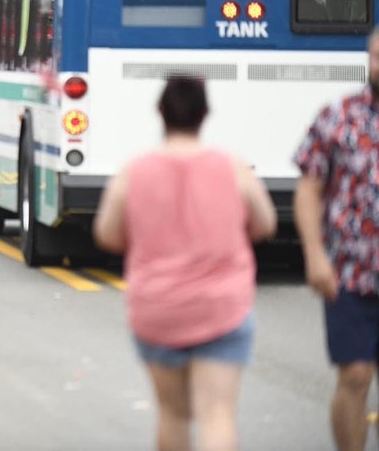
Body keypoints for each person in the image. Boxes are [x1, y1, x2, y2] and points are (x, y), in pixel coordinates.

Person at [94, 76, 276, 451]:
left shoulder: (134, 172)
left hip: (158, 309)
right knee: (217, 414)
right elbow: (265, 224)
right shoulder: (234, 169)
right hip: (222, 308)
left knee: (173, 414)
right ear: (205, 114)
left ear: (160, 113)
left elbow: (107, 234)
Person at [294, 27, 379, 451]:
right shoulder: (339, 117)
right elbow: (309, 188)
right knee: (355, 375)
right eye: (377, 57)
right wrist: (314, 255)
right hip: (350, 273)